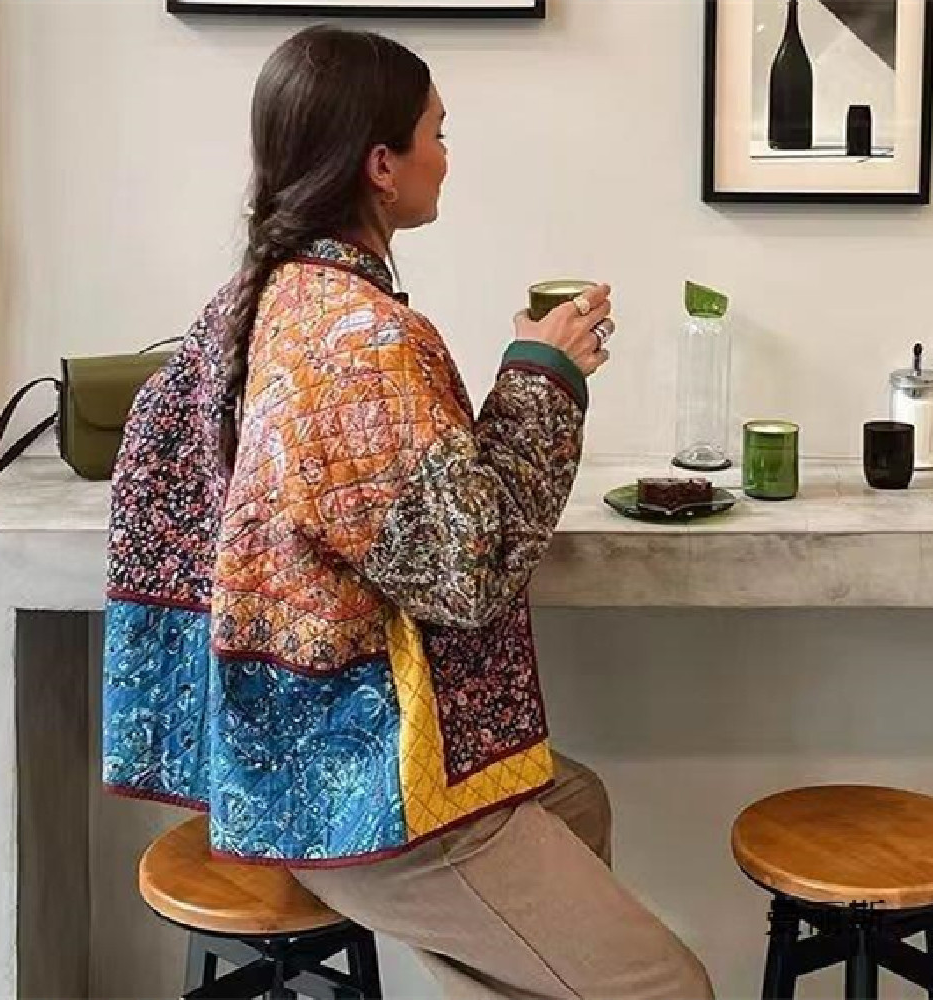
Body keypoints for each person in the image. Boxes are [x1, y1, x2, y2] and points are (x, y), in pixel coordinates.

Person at [102, 24, 713, 1000]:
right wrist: (543, 373)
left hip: (276, 747)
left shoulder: (263, 298)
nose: (446, 155)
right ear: (382, 165)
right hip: (355, 779)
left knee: (577, 802)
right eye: (437, 132)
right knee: (668, 987)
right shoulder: (361, 339)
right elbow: (465, 571)